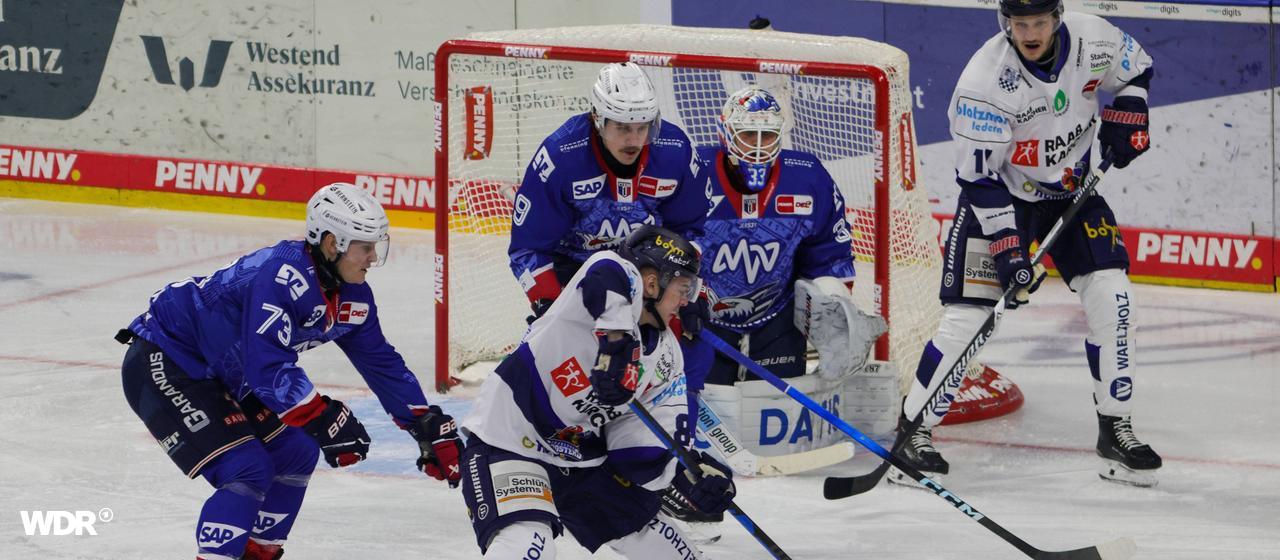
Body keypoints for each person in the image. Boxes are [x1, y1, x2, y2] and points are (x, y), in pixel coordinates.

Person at [118, 183, 464, 559]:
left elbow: (380, 362)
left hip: (226, 373)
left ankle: (255, 554)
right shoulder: (281, 275)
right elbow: (267, 366)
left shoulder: (352, 294)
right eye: (364, 247)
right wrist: (322, 415)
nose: (372, 257)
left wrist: (422, 421)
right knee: (245, 469)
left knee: (297, 452)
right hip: (169, 360)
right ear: (331, 243)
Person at [895, 0, 1161, 487]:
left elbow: (1137, 69)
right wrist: (1008, 250)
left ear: (1057, 18)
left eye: (1039, 22)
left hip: (1073, 193)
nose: (1031, 33)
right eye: (1021, 24)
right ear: (1006, 23)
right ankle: (913, 431)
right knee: (970, 318)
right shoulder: (984, 82)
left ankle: (1115, 430)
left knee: (1115, 299)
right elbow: (979, 179)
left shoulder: (1094, 38)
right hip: (1003, 196)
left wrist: (1132, 108)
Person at [665, 86, 883, 534]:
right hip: (703, 322)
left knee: (774, 431)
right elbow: (665, 245)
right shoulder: (692, 174)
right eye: (749, 135)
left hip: (776, 319)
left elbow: (831, 251)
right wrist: (677, 302)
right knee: (692, 414)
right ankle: (687, 492)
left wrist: (833, 301)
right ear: (726, 133)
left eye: (768, 136)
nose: (759, 147)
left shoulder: (808, 177)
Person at [461, 225, 736, 559]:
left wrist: (686, 474)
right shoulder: (599, 288)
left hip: (584, 462)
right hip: (510, 441)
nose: (685, 302)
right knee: (530, 546)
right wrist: (616, 343)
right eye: (683, 289)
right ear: (652, 283)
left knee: (674, 553)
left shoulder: (667, 358)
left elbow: (636, 450)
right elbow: (607, 272)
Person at [507, 62, 710, 322]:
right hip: (574, 272)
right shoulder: (560, 157)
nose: (634, 140)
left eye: (642, 127)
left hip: (649, 272)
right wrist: (548, 304)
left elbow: (691, 230)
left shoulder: (676, 151)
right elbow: (528, 248)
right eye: (623, 127)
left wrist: (689, 289)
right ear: (597, 119)